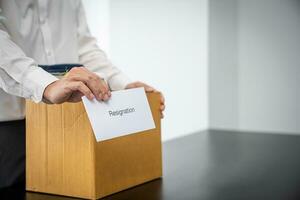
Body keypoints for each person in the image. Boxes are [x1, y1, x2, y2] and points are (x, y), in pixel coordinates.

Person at [0, 0, 165, 189]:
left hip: (66, 121)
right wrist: (46, 85)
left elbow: (85, 48)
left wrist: (123, 85)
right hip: (9, 127)